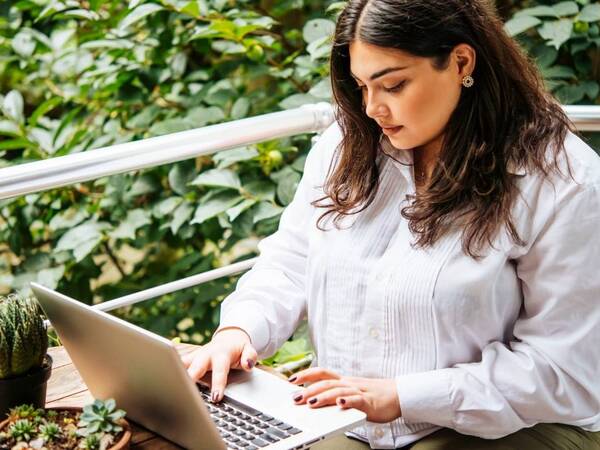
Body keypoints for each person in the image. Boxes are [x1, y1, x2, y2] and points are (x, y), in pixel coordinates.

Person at [182, 0, 600, 448]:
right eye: (362, 87)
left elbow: (565, 371)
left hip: (512, 426)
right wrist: (240, 330)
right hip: (351, 419)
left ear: (461, 62)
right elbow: (291, 261)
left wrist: (405, 395)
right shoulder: (346, 145)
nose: (371, 109)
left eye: (393, 85)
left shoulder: (563, 181)